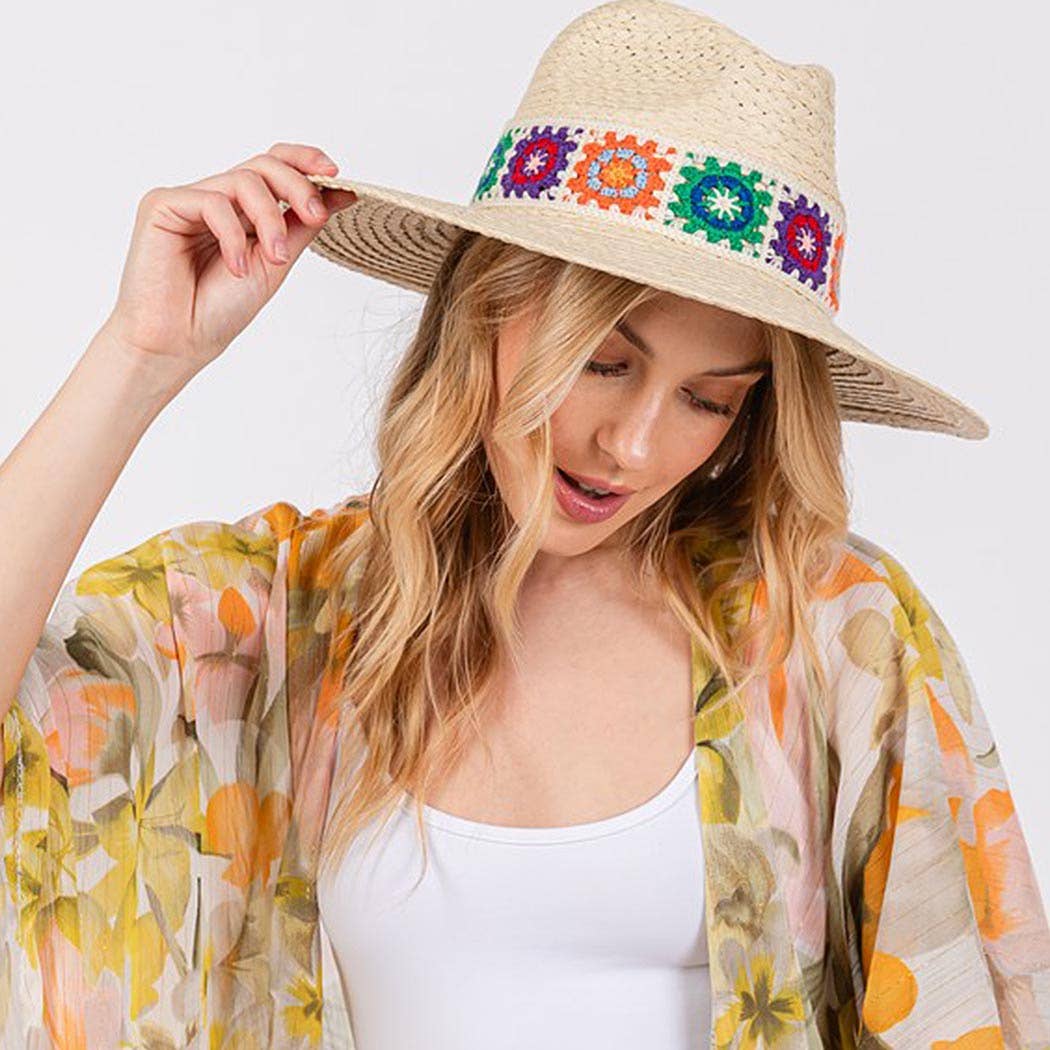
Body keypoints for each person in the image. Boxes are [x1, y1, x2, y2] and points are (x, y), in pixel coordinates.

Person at [2, 1, 1048, 1047]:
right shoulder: (274, 623)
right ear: (487, 309)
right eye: (604, 362)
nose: (633, 446)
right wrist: (140, 358)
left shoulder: (831, 635)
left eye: (709, 399)